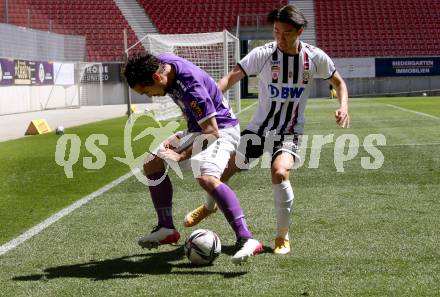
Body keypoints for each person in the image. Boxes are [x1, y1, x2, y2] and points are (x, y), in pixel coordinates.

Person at [183, 4, 350, 255]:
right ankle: (209, 207)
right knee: (219, 174)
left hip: (289, 131)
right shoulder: (263, 54)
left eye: (286, 33)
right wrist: (207, 104)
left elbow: (339, 82)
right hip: (258, 130)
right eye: (276, 31)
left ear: (300, 31)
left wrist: (343, 106)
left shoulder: (315, 57)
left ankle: (282, 237)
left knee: (280, 173)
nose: (280, 38)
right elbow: (230, 78)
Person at [122, 53, 263, 264]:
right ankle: (166, 228)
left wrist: (181, 154)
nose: (149, 95)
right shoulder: (161, 63)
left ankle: (246, 238)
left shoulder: (191, 88)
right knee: (151, 162)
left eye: (146, 91)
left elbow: (212, 132)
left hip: (221, 130)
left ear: (157, 78)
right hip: (198, 129)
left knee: (206, 178)